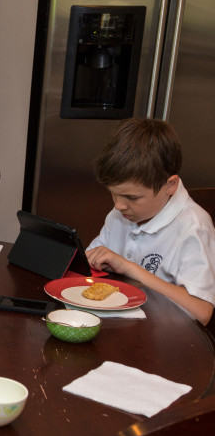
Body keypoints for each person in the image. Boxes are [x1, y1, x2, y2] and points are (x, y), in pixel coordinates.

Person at [85, 118, 215, 326]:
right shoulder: (122, 213)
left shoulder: (193, 228)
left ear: (170, 185)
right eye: (113, 194)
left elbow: (202, 312)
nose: (118, 205)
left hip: (168, 341)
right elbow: (91, 265)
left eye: (132, 198)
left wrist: (130, 268)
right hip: (126, 327)